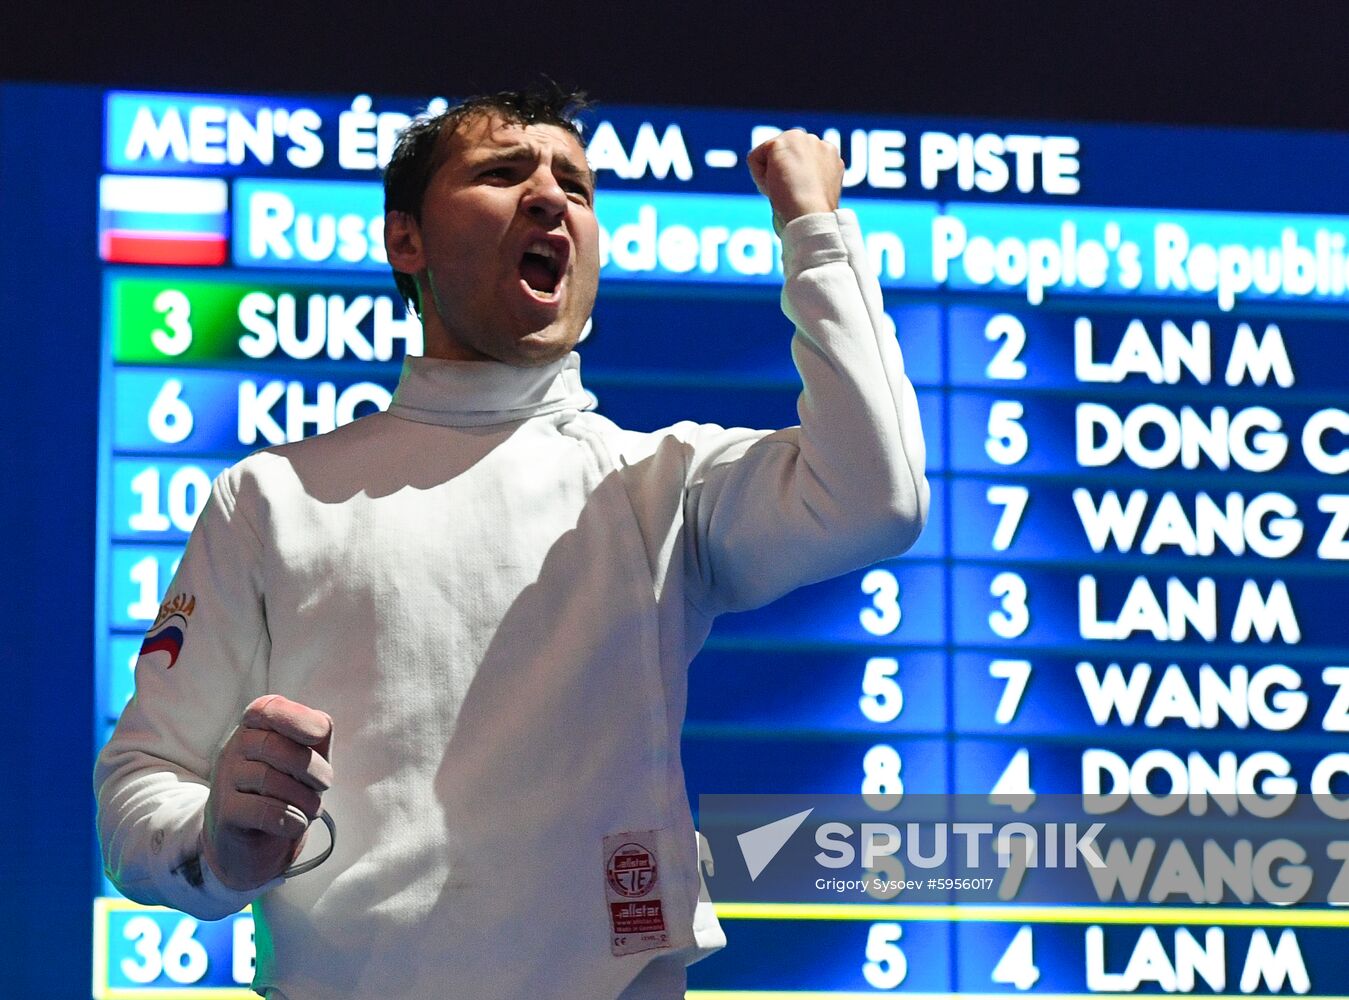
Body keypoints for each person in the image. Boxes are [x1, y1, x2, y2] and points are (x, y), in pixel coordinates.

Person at [96, 84, 929, 1000]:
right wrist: (216, 846)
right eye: (502, 173)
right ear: (405, 240)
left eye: (575, 186)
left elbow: (875, 495)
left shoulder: (659, 484)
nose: (548, 199)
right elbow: (141, 784)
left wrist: (814, 229)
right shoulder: (272, 498)